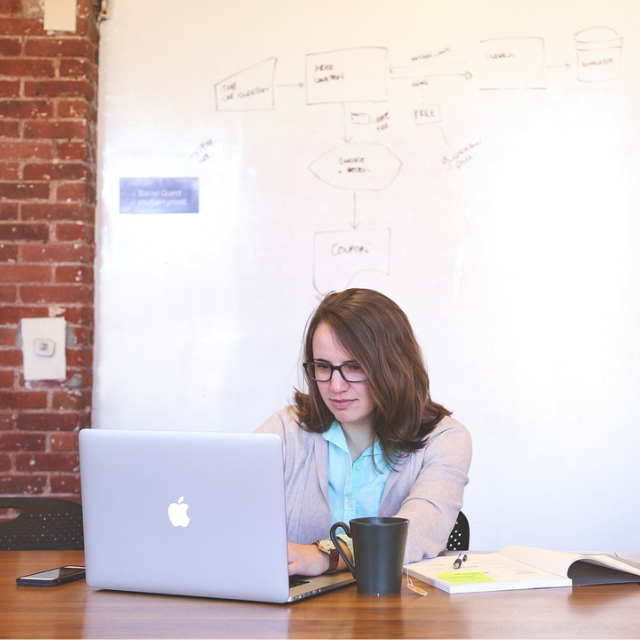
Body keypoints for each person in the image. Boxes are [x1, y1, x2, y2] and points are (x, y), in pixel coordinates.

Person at [256, 288, 471, 577]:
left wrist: (326, 555)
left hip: (403, 613)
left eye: (354, 367)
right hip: (300, 617)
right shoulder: (286, 430)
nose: (335, 386)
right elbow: (227, 503)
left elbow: (419, 529)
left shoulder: (445, 440)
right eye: (323, 367)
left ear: (393, 366)